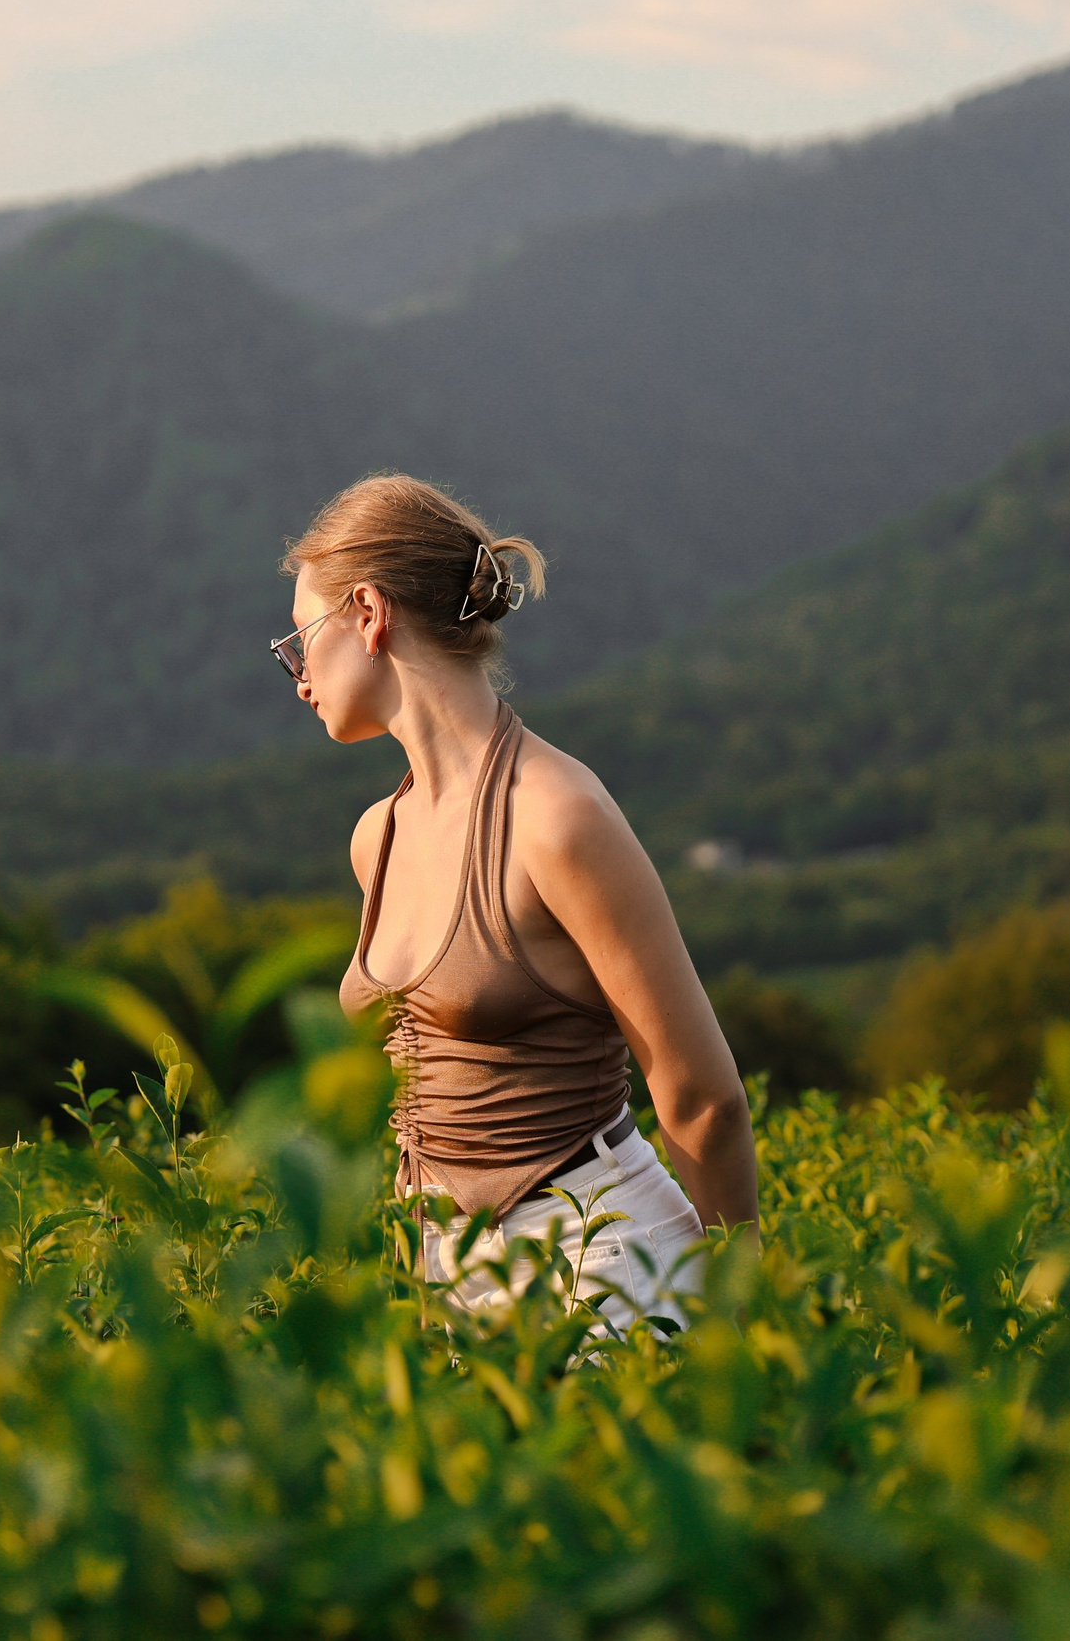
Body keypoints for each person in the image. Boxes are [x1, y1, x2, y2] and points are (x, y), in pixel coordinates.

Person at [272, 473, 759, 1333]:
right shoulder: (375, 837)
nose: (299, 675)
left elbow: (701, 1098)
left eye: (301, 639)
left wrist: (750, 1307)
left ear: (368, 612)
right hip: (439, 1284)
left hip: (598, 1261)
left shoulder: (557, 815)